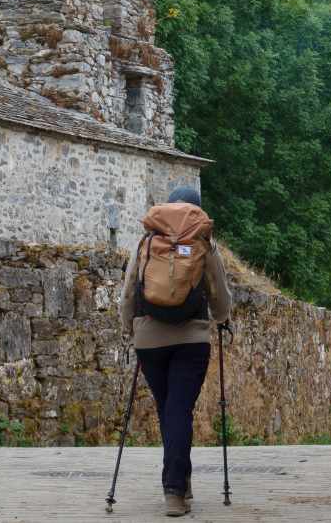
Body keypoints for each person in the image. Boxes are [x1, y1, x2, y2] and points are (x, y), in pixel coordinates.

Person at [118, 186, 232, 518]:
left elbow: (128, 293)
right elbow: (219, 292)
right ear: (197, 211)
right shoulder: (204, 244)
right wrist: (223, 319)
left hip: (149, 340)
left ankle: (178, 480)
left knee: (169, 410)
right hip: (191, 340)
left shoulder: (146, 243)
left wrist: (131, 328)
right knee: (179, 411)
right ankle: (174, 490)